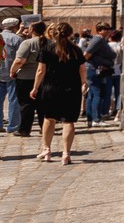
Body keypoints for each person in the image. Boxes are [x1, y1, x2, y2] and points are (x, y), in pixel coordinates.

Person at [32, 22, 86, 165]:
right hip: (71, 89)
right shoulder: (76, 50)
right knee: (69, 121)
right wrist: (84, 82)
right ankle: (66, 153)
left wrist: (35, 88)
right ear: (69, 34)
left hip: (51, 88)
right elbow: (82, 69)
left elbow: (40, 71)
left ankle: (47, 150)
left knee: (49, 118)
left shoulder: (47, 48)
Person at [9, 21, 46, 137]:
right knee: (42, 104)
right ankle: (45, 128)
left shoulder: (28, 43)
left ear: (32, 30)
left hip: (27, 77)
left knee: (26, 104)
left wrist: (12, 71)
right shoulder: (50, 43)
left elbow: (19, 60)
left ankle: (24, 129)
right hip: (45, 77)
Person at [82, 24, 116, 128]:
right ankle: (96, 119)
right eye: (105, 29)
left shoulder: (101, 40)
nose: (108, 31)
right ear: (99, 31)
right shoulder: (98, 40)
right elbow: (86, 55)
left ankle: (91, 118)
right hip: (94, 70)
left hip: (97, 70)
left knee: (92, 94)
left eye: (109, 29)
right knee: (97, 94)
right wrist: (98, 63)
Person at [0, 17, 21, 133]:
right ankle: (13, 126)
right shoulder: (17, 39)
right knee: (13, 100)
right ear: (15, 26)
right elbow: (21, 57)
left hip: (0, 71)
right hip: (12, 73)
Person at [107, 29, 124, 120]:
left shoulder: (107, 46)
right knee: (118, 93)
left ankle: (108, 109)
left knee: (108, 91)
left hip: (108, 69)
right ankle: (118, 110)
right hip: (118, 69)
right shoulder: (120, 46)